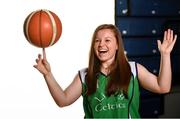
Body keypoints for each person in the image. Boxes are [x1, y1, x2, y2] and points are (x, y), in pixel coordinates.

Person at [33, 24, 177, 118]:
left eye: (107, 40)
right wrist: (48, 75)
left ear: (117, 45)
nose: (101, 44)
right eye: (97, 41)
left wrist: (165, 55)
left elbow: (162, 87)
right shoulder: (84, 75)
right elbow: (63, 100)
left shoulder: (133, 69)